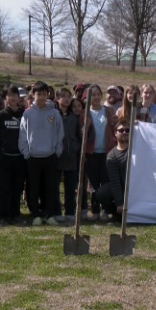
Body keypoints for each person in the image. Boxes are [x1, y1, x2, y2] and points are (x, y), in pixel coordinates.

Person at [19, 82, 64, 226]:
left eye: (44, 94)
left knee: (50, 187)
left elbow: (59, 134)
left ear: (48, 95)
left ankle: (49, 214)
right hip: (32, 157)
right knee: (33, 187)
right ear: (33, 95)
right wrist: (27, 153)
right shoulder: (27, 113)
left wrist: (56, 151)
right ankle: (36, 215)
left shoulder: (54, 113)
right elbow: (22, 135)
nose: (42, 97)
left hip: (50, 156)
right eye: (39, 94)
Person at [0, 86, 26, 224]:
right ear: (5, 97)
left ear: (19, 97)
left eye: (15, 95)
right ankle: (3, 216)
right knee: (4, 188)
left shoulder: (24, 114)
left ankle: (15, 215)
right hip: (4, 157)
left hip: (20, 157)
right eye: (10, 95)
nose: (13, 98)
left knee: (17, 188)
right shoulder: (0, 115)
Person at [85, 85, 117, 219]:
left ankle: (105, 210)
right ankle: (95, 210)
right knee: (93, 184)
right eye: (93, 95)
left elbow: (116, 126)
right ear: (88, 97)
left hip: (106, 152)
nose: (96, 97)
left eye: (98, 94)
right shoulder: (86, 112)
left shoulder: (109, 111)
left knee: (105, 182)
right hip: (91, 153)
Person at [93, 121, 132, 222]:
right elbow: (115, 181)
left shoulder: (137, 149)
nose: (124, 132)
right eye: (121, 130)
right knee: (102, 192)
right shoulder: (112, 156)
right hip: (122, 188)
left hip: (138, 189)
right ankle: (117, 214)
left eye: (127, 130)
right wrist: (119, 203)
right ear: (115, 133)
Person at [57, 88, 85, 222]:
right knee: (54, 186)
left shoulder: (75, 117)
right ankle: (56, 212)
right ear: (57, 99)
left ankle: (69, 212)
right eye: (63, 96)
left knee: (70, 187)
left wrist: (77, 147)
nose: (67, 99)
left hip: (72, 156)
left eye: (69, 96)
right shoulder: (54, 114)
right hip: (56, 156)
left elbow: (81, 135)